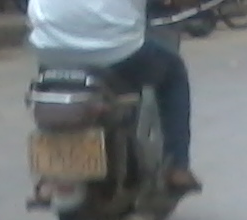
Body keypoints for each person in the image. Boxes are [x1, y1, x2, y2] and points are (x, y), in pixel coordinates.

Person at [27, 0, 202, 192]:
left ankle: (52, 172)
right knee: (174, 72)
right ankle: (177, 167)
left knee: (53, 91)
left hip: (50, 49)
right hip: (115, 50)